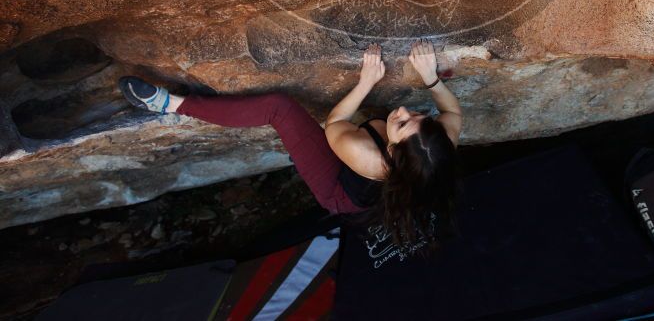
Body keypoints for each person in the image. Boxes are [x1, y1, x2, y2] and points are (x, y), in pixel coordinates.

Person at [119, 39, 463, 251]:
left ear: (390, 151)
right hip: (386, 171)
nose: (402, 110)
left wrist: (366, 83)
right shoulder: (438, 143)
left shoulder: (366, 158)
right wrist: (430, 76)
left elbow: (336, 124)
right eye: (418, 115)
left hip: (339, 191)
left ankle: (172, 105)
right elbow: (450, 109)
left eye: (401, 123)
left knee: (279, 109)